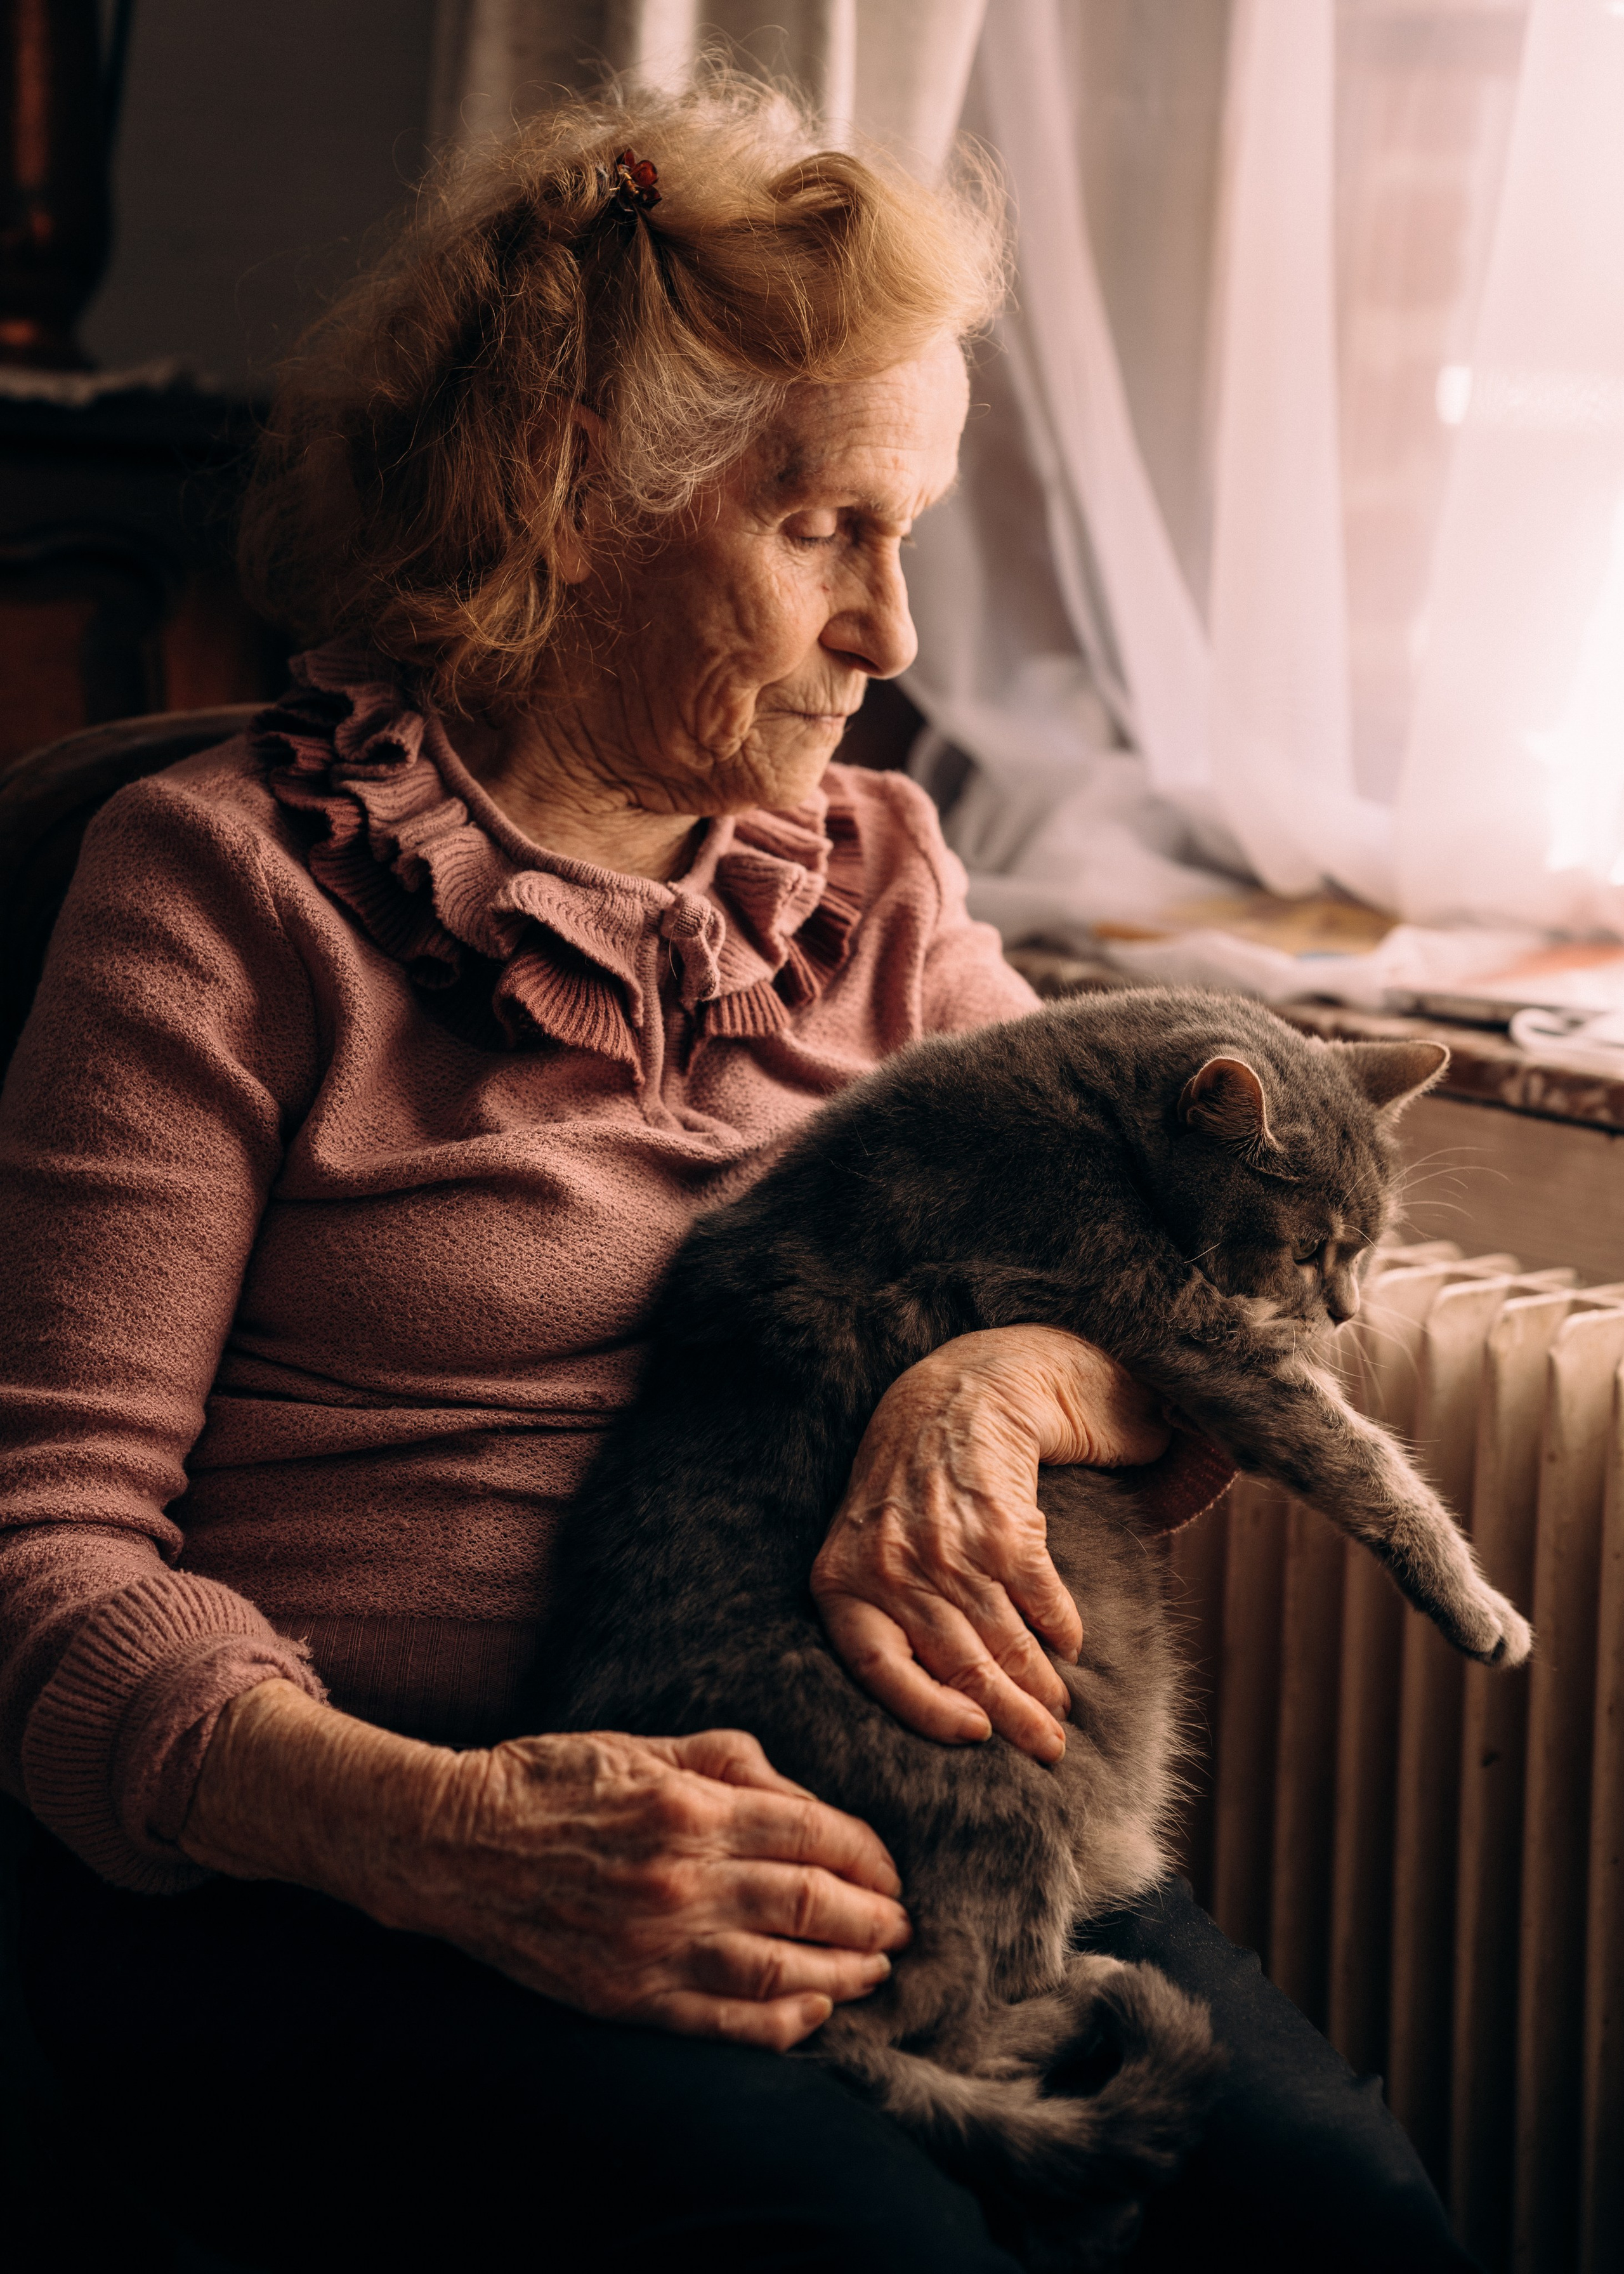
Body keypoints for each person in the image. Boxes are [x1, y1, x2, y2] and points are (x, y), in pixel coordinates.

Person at [0, 77, 1472, 2274]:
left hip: (896, 1817)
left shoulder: (874, 874)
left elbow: (1170, 1307)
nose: (894, 634)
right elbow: (38, 1547)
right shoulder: (217, 896)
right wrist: (446, 1833)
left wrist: (1000, 1390)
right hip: (393, 1843)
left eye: (915, 534)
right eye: (826, 533)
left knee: (1342, 2228)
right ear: (575, 499)